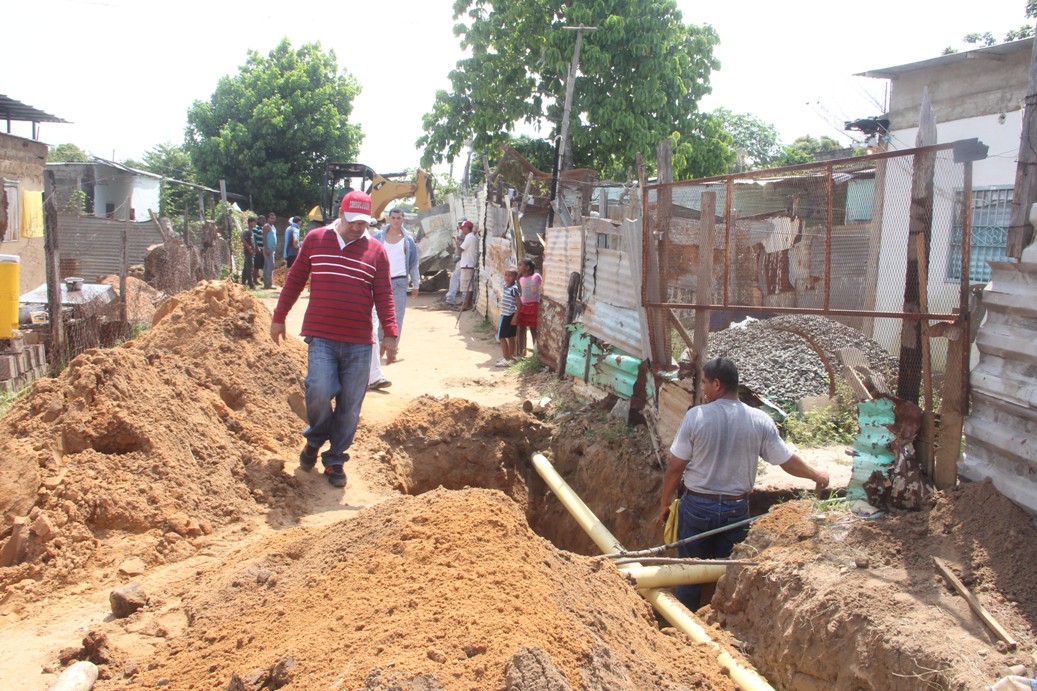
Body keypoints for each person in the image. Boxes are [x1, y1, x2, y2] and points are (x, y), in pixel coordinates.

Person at [657, 357, 830, 610]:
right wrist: (817, 475)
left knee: (689, 572)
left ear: (717, 384)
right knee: (729, 575)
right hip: (736, 511)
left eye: (704, 383)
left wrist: (665, 503)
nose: (703, 388)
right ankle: (720, 625)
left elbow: (675, 467)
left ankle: (685, 627)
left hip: (696, 509)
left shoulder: (696, 417)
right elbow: (786, 461)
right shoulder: (759, 420)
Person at [269, 191, 398, 488]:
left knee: (351, 404)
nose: (357, 227)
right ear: (341, 215)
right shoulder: (315, 240)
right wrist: (279, 316)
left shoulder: (376, 251)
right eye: (353, 221)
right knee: (318, 389)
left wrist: (390, 334)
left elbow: (384, 297)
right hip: (322, 336)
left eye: (363, 223)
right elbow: (294, 281)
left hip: (359, 342)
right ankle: (315, 439)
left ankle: (335, 458)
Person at [373, 208, 420, 363]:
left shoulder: (408, 240)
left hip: (400, 282)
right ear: (388, 218)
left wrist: (416, 284)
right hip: (380, 282)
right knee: (379, 316)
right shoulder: (379, 237)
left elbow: (413, 263)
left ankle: (392, 349)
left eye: (399, 218)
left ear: (403, 219)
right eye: (393, 218)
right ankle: (379, 346)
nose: (395, 221)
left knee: (397, 317)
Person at [513, 258, 542, 358]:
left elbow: (542, 287)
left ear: (528, 267)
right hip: (524, 307)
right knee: (521, 329)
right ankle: (521, 352)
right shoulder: (520, 279)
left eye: (520, 265)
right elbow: (521, 293)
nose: (518, 267)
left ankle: (536, 352)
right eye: (518, 265)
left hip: (534, 306)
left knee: (534, 330)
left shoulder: (536, 276)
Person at [495, 267, 520, 367]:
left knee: (501, 337)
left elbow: (519, 304)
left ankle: (506, 358)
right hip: (505, 314)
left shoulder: (514, 289)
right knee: (510, 337)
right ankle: (509, 357)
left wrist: (515, 317)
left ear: (515, 277)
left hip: (509, 315)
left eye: (510, 275)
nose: (507, 277)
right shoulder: (506, 286)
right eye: (506, 275)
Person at [456, 220, 479, 311]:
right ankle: (467, 303)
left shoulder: (469, 238)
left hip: (467, 264)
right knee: (468, 286)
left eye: (462, 228)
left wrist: (456, 241)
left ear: (466, 228)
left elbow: (460, 249)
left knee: (468, 286)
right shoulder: (471, 237)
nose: (462, 230)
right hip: (468, 263)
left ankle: (467, 304)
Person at [444, 218, 467, 305]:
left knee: (457, 279)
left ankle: (451, 298)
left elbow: (461, 249)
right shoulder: (463, 235)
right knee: (460, 279)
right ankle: (457, 298)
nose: (460, 226)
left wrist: (457, 240)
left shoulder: (466, 236)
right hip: (462, 260)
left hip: (463, 260)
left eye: (461, 224)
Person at [240, 217, 257, 289]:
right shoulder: (246, 231)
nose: (255, 224)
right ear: (250, 222)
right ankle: (251, 284)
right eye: (254, 222)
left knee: (246, 268)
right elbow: (243, 239)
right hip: (248, 252)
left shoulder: (251, 231)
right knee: (250, 268)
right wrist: (248, 247)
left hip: (251, 252)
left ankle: (243, 283)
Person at [252, 216, 265, 286]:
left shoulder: (262, 228)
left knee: (260, 265)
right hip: (257, 250)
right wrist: (257, 248)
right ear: (259, 220)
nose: (264, 222)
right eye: (262, 221)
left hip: (262, 249)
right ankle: (254, 280)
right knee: (256, 265)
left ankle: (257, 279)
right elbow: (254, 238)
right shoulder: (256, 228)